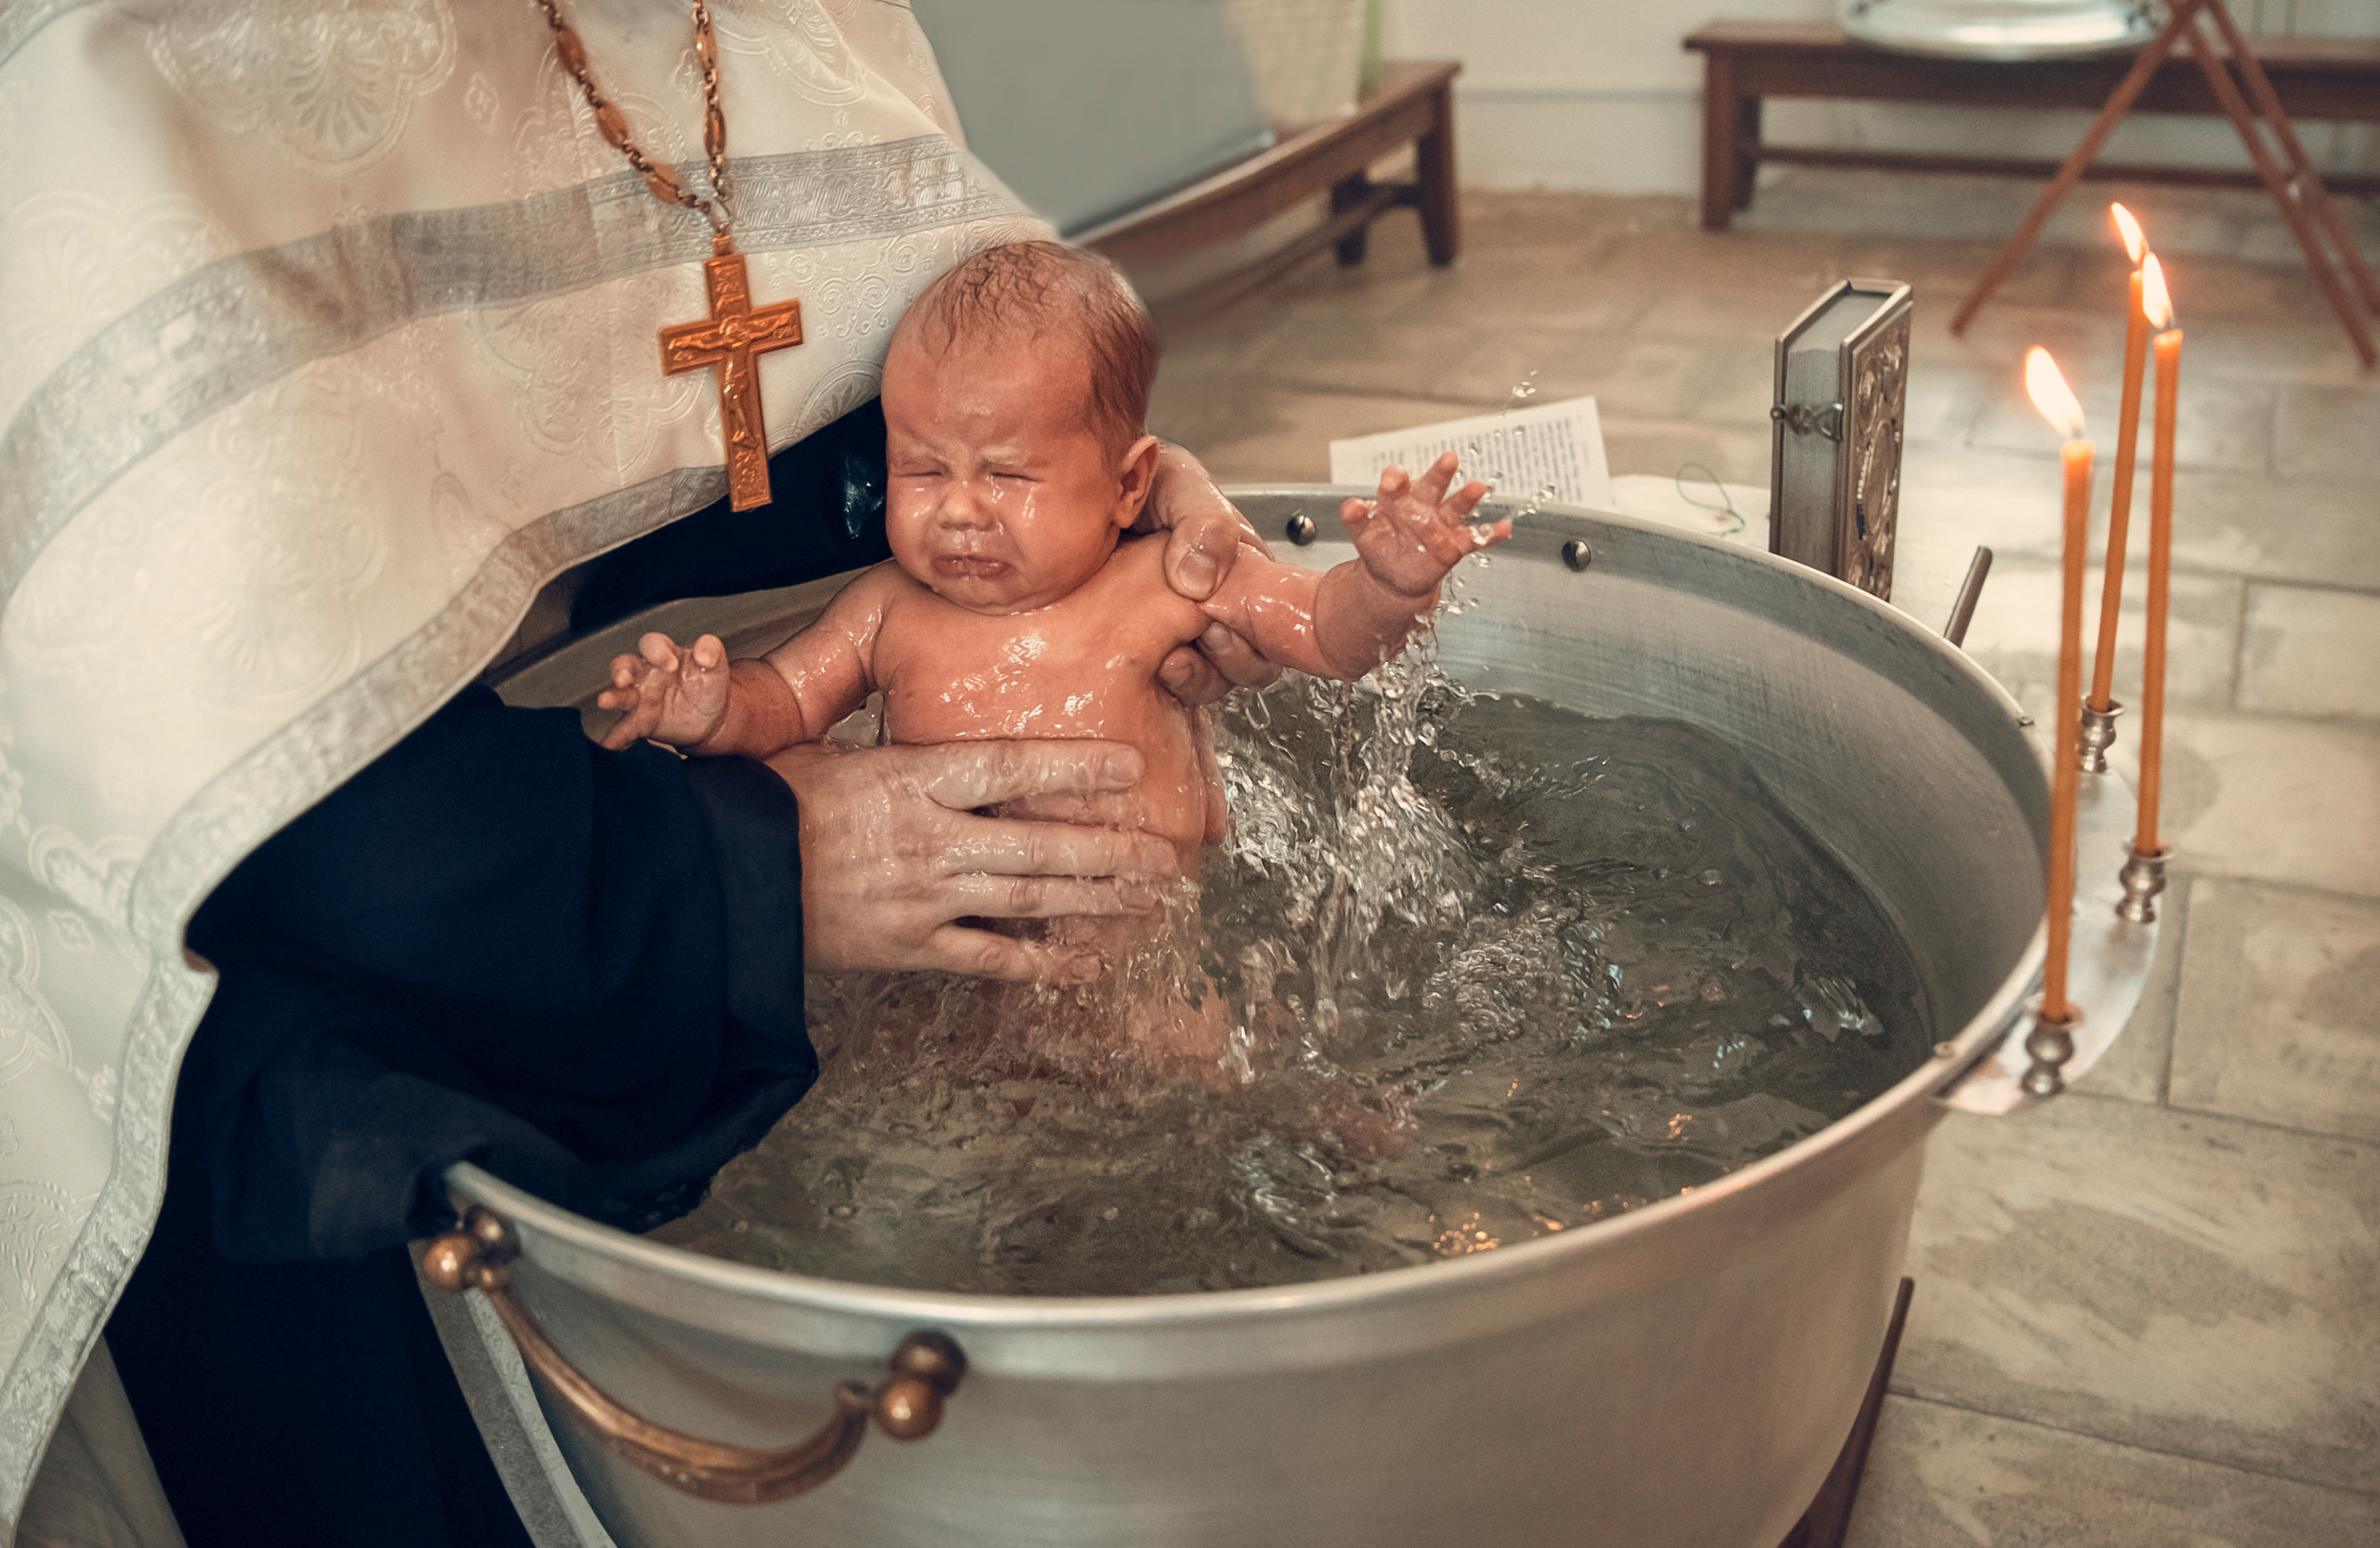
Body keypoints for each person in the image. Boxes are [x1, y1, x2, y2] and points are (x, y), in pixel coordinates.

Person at [0, 5, 1276, 1546]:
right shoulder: (134, 47)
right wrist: (733, 861)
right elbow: (211, 739)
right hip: (374, 1037)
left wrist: (1084, 503)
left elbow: (813, 392)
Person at [595, 245, 1502, 1044]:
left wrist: (1387, 586)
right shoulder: (885, 606)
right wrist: (713, 709)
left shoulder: (1166, 582)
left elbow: (1324, 636)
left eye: (1005, 474)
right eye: (921, 467)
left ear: (1128, 483)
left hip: (1135, 997)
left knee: (1197, 1095)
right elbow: (788, 702)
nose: (957, 508)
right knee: (893, 1089)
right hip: (934, 979)